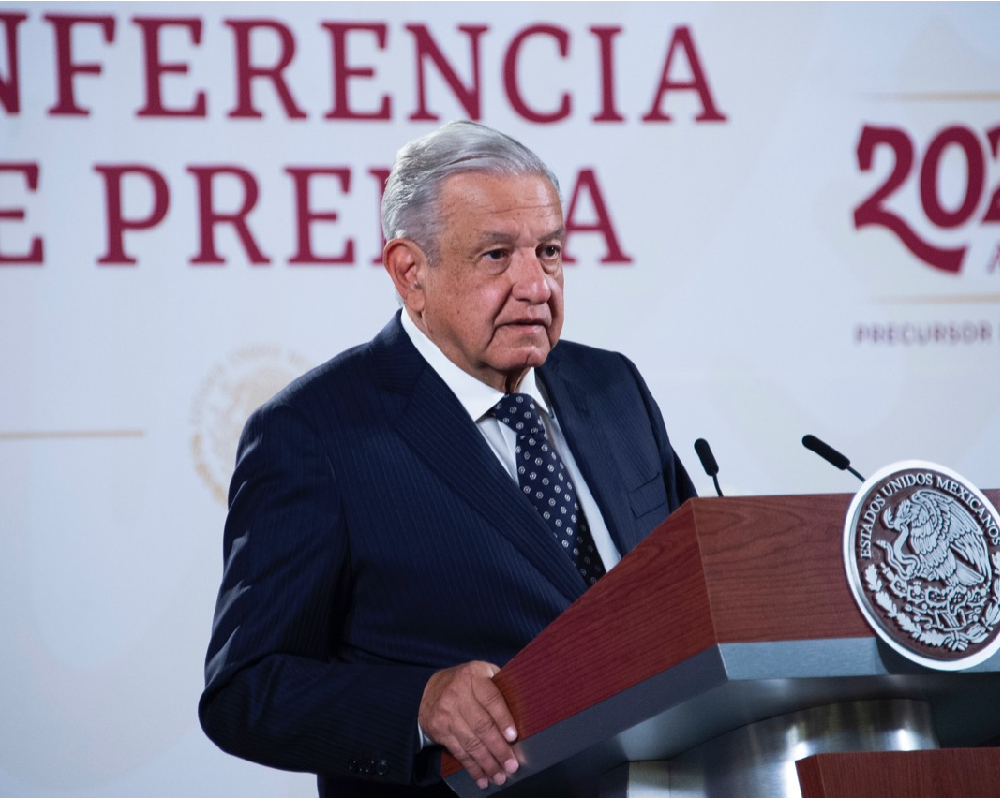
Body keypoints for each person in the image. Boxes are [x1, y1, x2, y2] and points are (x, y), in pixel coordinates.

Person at [199, 121, 696, 796]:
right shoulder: (314, 433)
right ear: (411, 273)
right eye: (496, 256)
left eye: (549, 251)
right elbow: (246, 689)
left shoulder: (613, 389)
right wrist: (420, 704)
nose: (537, 285)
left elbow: (694, 587)